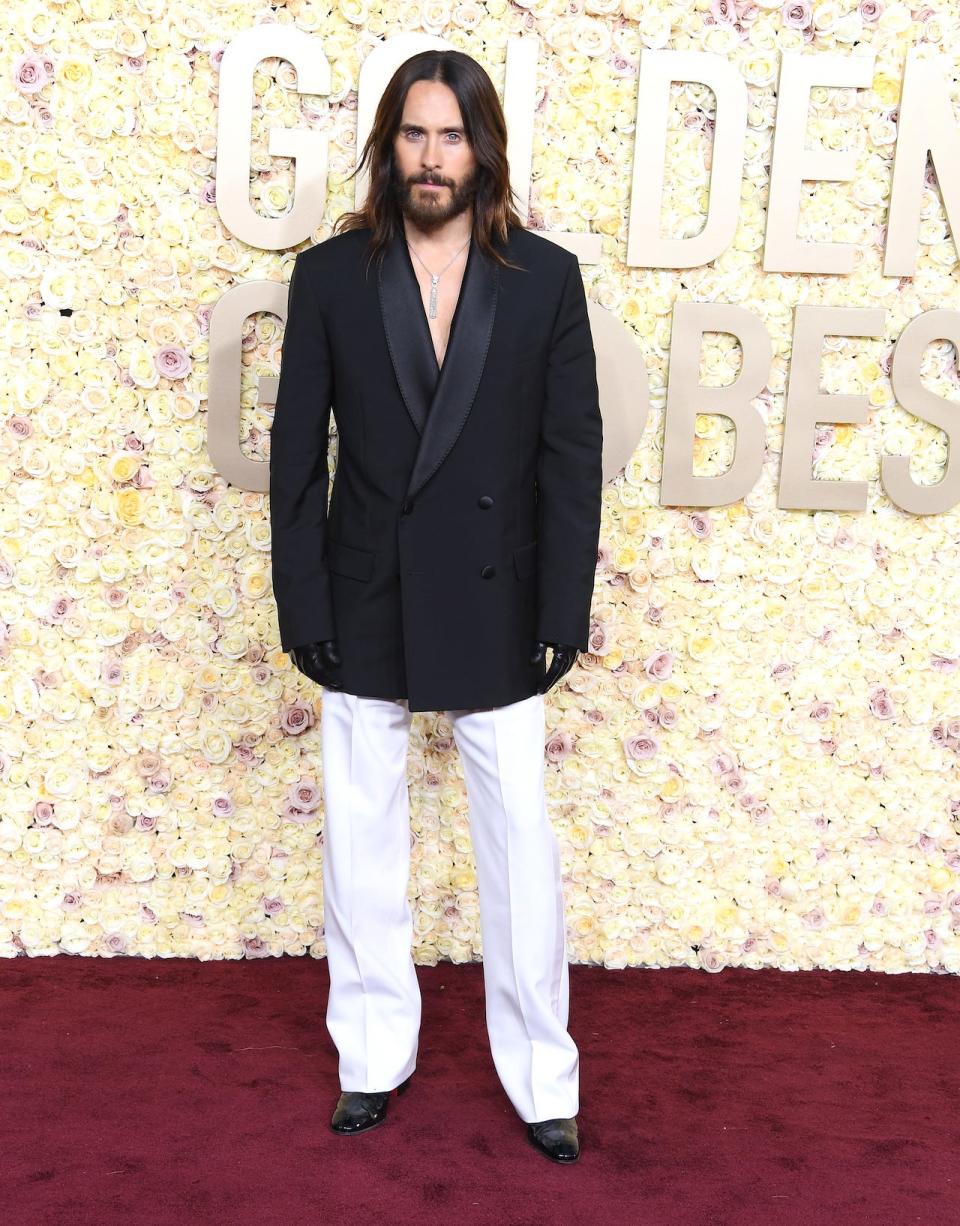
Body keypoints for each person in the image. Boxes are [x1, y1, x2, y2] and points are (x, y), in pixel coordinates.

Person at [268, 48, 603, 1164]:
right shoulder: (327, 277)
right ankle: (370, 1056)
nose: (430, 156)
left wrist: (566, 601)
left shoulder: (546, 279)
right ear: (387, 146)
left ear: (483, 147)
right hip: (362, 581)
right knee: (360, 837)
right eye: (413, 134)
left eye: (451, 135)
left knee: (519, 843)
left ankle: (541, 1075)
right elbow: (293, 455)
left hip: (501, 589)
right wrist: (300, 593)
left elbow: (571, 455)